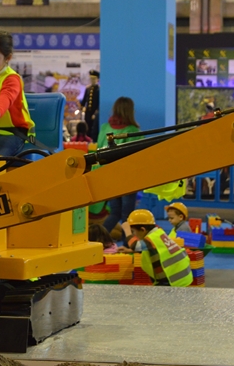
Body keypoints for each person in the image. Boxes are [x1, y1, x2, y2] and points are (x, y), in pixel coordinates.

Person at [98, 97, 141, 234]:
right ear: (130, 111)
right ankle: (129, 244)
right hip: (127, 178)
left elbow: (99, 148)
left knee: (114, 213)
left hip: (108, 176)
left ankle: (98, 238)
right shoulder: (132, 130)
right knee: (127, 216)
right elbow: (139, 155)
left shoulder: (105, 128)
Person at [126, 209, 193, 287]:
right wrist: (129, 250)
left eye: (133, 231)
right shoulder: (158, 232)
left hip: (172, 280)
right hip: (178, 277)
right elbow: (153, 249)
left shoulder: (153, 238)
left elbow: (135, 246)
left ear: (143, 230)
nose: (134, 235)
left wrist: (127, 231)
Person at [81, 70, 100, 141]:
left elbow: (99, 103)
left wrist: (95, 113)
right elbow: (84, 100)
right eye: (91, 78)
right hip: (88, 112)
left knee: (93, 128)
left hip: (94, 112)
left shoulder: (99, 90)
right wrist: (82, 107)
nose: (92, 80)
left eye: (94, 79)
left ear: (97, 79)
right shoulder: (87, 89)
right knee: (87, 127)